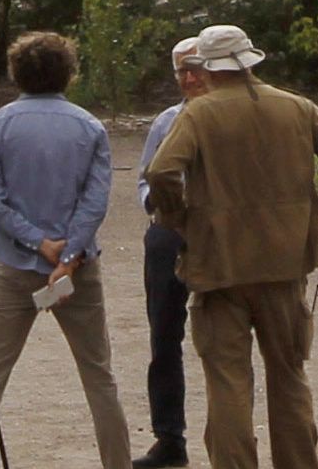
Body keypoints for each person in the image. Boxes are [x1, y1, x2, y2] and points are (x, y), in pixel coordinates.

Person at [139, 25, 318, 469]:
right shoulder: (298, 108)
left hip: (219, 268)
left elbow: (162, 172)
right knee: (289, 379)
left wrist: (179, 220)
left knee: (228, 383)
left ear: (208, 66)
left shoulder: (199, 114)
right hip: (284, 267)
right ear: (249, 60)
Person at [0, 31, 133, 469]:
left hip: (14, 263)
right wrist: (68, 254)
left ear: (17, 73)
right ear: (68, 73)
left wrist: (36, 242)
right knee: (99, 377)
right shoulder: (88, 127)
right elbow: (96, 199)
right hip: (76, 268)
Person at [133, 39, 211, 468]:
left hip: (217, 233)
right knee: (164, 335)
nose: (189, 78)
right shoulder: (166, 121)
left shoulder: (229, 117)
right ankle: (169, 438)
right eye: (181, 71)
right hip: (168, 230)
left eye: (195, 68)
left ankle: (228, 434)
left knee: (222, 334)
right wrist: (158, 204)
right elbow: (147, 178)